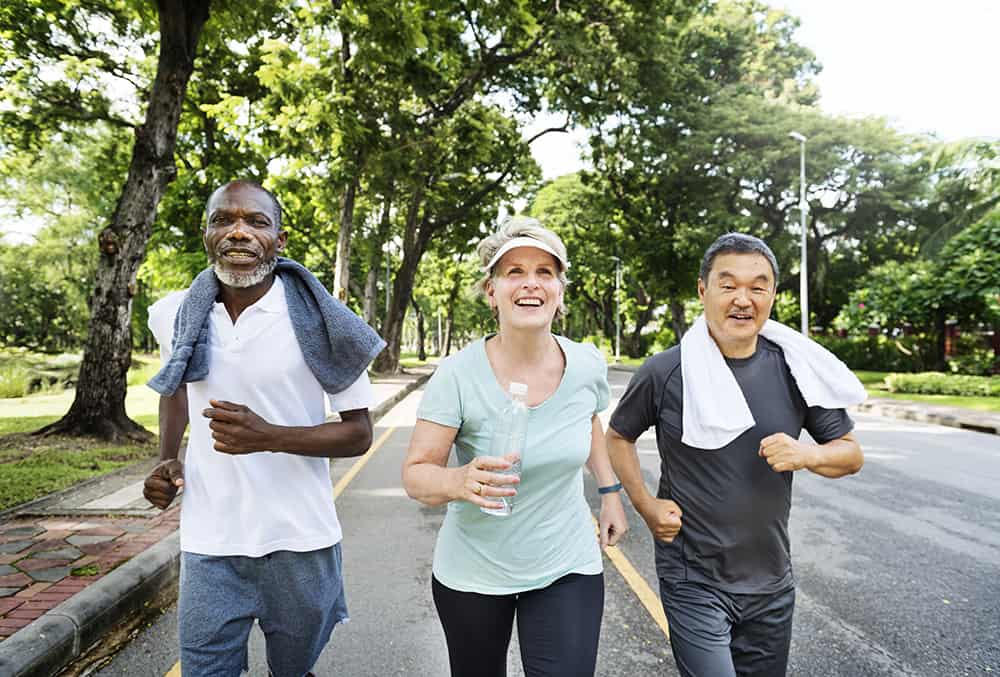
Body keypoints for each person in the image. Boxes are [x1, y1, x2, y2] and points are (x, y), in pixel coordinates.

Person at [142, 180, 385, 677]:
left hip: (300, 542)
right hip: (210, 539)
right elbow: (176, 387)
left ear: (280, 238)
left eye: (255, 221)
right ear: (205, 232)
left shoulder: (324, 322)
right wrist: (168, 457)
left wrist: (268, 436)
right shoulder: (173, 314)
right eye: (223, 220)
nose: (238, 232)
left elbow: (359, 433)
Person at [606, 232, 865, 677]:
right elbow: (617, 437)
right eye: (728, 285)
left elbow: (851, 454)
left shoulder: (795, 368)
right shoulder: (665, 371)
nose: (743, 299)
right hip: (694, 578)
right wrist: (647, 506)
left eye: (757, 286)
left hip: (771, 582)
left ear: (772, 295)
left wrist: (806, 454)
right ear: (703, 290)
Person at [402, 216, 628, 677]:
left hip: (566, 562)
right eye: (515, 272)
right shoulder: (458, 375)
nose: (531, 284)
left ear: (560, 290)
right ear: (492, 291)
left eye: (545, 272)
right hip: (474, 571)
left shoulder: (585, 363)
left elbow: (588, 422)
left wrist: (609, 494)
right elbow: (416, 474)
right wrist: (458, 480)